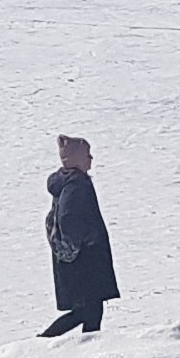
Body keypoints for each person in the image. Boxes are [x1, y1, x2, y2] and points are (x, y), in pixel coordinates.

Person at [42, 135, 118, 336]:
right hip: (86, 260)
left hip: (78, 259)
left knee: (88, 310)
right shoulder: (77, 184)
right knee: (89, 310)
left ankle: (78, 347)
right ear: (76, 159)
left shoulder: (69, 181)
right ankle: (45, 342)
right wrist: (88, 239)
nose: (91, 158)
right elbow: (68, 218)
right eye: (87, 155)